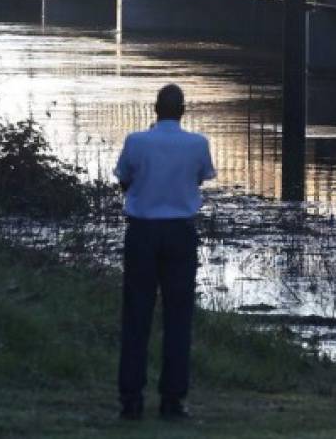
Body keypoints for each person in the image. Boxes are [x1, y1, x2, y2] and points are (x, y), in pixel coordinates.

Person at [115, 84, 216, 421]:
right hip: (180, 233)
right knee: (178, 317)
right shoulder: (198, 144)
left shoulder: (136, 141)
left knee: (136, 316)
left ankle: (131, 398)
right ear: (183, 110)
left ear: (154, 109)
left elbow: (124, 179)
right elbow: (200, 178)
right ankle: (173, 399)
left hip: (142, 232)